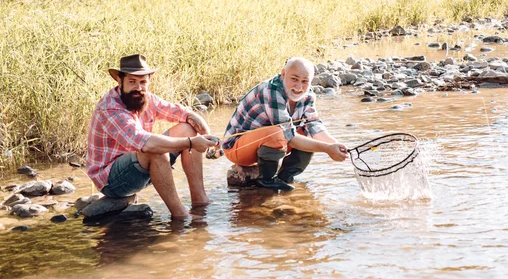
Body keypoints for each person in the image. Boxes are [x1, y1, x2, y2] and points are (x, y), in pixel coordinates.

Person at [86, 54, 217, 220]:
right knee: (155, 149)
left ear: (148, 81)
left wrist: (206, 135)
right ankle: (181, 215)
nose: (138, 87)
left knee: (187, 128)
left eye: (143, 82)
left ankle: (200, 200)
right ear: (120, 82)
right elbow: (146, 143)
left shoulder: (146, 98)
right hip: (111, 179)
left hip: (138, 166)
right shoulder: (110, 108)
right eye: (132, 81)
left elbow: (182, 113)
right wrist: (192, 143)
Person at [222, 57, 348, 191]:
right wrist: (327, 149)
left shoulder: (308, 95)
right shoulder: (271, 91)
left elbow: (314, 125)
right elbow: (289, 137)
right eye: (294, 79)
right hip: (236, 148)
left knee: (308, 134)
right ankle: (267, 180)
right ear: (283, 74)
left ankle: (285, 177)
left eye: (305, 81)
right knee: (277, 133)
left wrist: (336, 146)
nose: (299, 87)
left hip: (265, 146)